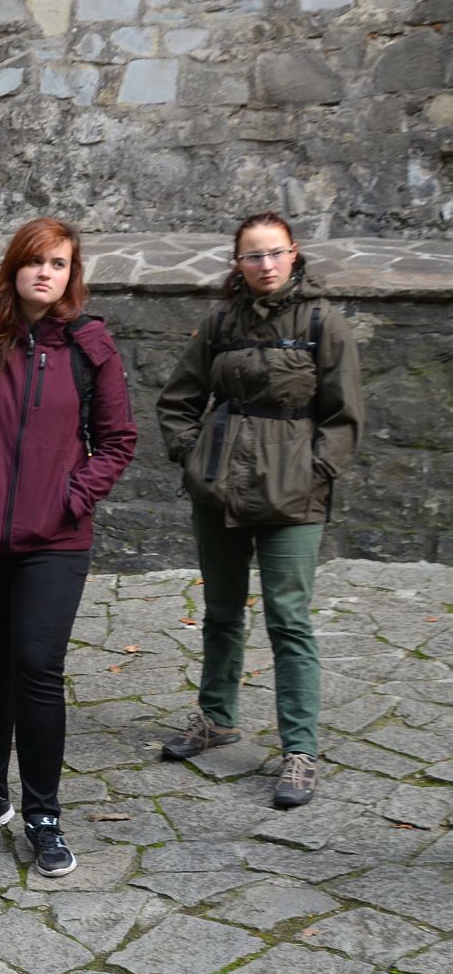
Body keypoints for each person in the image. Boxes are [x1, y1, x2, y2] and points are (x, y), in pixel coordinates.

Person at [0, 218, 138, 877]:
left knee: (38, 667)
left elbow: (118, 440)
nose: (46, 272)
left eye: (59, 263)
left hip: (56, 540)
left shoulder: (90, 346)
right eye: (36, 260)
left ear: (73, 274)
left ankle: (44, 815)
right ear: (14, 267)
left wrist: (73, 497)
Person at [156, 213, 363, 809]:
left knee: (288, 619)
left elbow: (344, 418)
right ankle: (216, 718)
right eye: (253, 255)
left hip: (293, 499)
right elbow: (179, 398)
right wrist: (192, 457)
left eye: (275, 253)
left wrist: (313, 473)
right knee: (221, 611)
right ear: (238, 263)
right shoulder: (220, 322)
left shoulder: (323, 323)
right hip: (219, 488)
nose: (265, 265)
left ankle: (300, 749)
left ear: (294, 254)